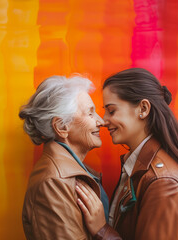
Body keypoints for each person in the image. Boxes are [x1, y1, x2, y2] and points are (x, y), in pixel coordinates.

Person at [76, 68, 178, 239]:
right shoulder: (139, 168)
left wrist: (101, 229)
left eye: (111, 111)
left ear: (143, 108)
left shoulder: (164, 183)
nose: (104, 120)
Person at [19, 75, 119, 239]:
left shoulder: (67, 173)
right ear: (61, 126)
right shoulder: (54, 182)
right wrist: (102, 230)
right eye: (90, 113)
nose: (101, 121)